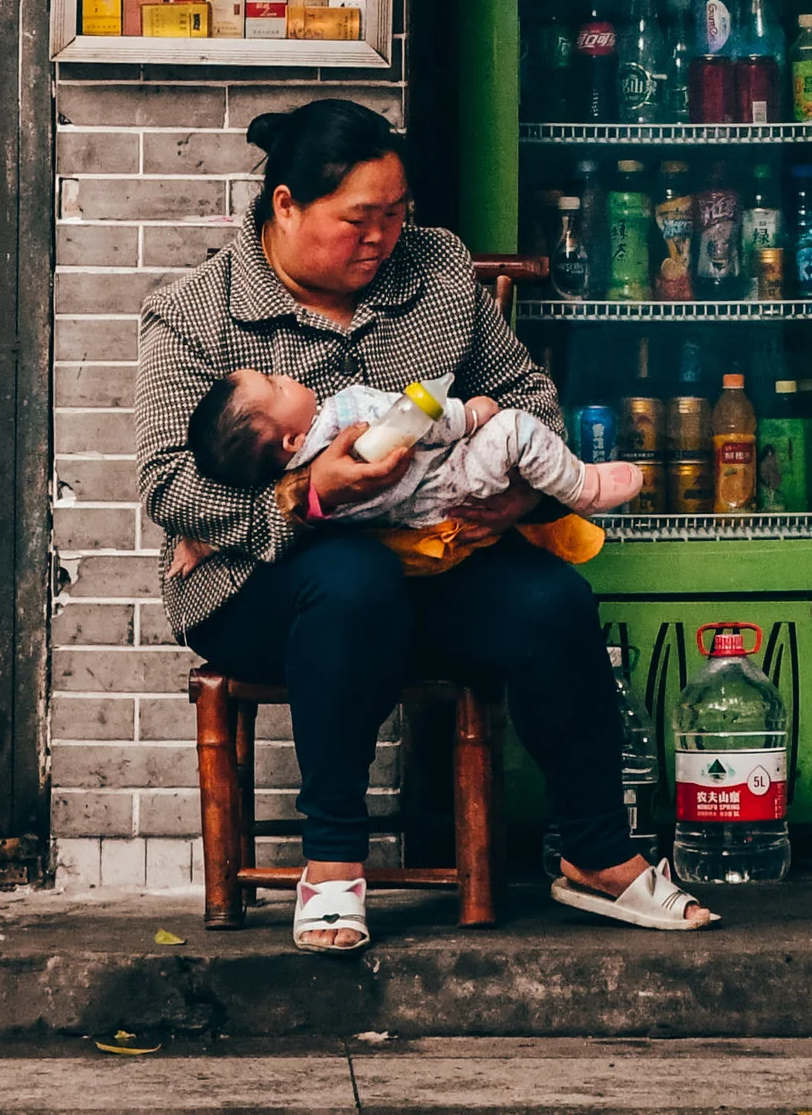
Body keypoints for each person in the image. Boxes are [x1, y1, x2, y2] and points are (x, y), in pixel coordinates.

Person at [136, 98, 713, 949]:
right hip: (261, 588)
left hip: (433, 557)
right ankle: (334, 860)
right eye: (358, 218)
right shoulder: (196, 312)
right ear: (285, 205)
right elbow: (167, 485)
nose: (383, 237)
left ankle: (598, 853)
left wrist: (524, 499)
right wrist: (308, 493)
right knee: (351, 577)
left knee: (552, 600)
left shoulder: (436, 268)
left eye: (397, 213)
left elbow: (526, 395)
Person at [186, 366, 644, 524]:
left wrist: (204, 541)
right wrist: (470, 415)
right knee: (515, 429)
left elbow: (527, 383)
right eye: (275, 384)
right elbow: (419, 420)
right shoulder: (345, 415)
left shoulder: (288, 478)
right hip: (452, 478)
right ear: (292, 440)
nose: (283, 375)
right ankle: (581, 487)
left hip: (422, 516)